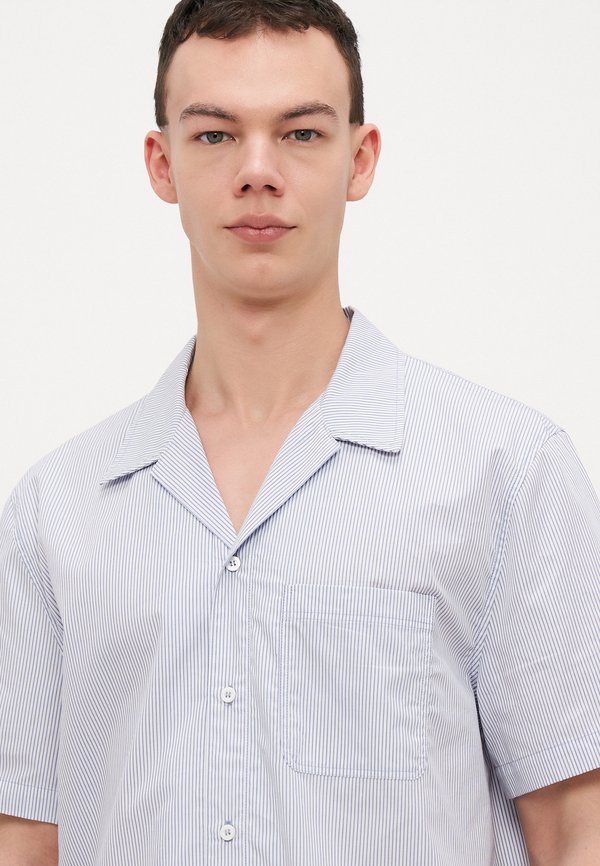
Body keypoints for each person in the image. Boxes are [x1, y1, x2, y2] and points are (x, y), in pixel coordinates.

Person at [1, 0, 599, 863]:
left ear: (360, 158)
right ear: (161, 163)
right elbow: (25, 839)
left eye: (301, 133)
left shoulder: (507, 472)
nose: (257, 171)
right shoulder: (55, 511)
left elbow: (579, 826)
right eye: (214, 134)